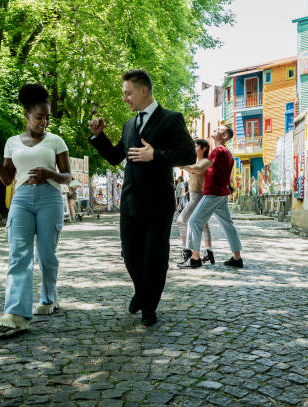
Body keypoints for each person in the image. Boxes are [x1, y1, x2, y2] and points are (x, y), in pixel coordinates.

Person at [87, 69, 195, 326]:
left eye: (128, 93)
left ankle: (149, 308)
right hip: (130, 201)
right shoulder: (129, 125)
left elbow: (188, 155)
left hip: (158, 201)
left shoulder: (171, 119)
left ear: (143, 90)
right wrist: (99, 137)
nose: (125, 98)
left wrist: (155, 155)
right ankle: (141, 292)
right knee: (130, 254)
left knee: (154, 257)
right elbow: (115, 157)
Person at [0, 83, 71, 333]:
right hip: (21, 199)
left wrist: (49, 173)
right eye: (39, 117)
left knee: (46, 254)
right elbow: (7, 179)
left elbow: (67, 176)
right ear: (26, 114)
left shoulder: (56, 141)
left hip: (50, 198)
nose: (44, 122)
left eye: (47, 117)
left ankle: (49, 298)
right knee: (18, 254)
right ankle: (16, 314)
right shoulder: (12, 142)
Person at [181, 125, 243, 268]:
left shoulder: (218, 150)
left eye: (217, 130)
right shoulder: (227, 153)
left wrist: (180, 164)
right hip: (221, 194)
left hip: (213, 193)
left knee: (193, 221)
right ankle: (237, 258)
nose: (214, 130)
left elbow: (200, 168)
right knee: (228, 226)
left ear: (225, 136)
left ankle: (195, 259)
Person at [177, 138, 214, 265]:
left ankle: (188, 251)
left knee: (181, 220)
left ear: (203, 148)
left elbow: (196, 169)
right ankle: (208, 251)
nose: (193, 149)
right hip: (195, 195)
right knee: (203, 224)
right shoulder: (197, 161)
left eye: (195, 146)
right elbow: (193, 168)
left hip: (197, 195)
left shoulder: (205, 161)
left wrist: (181, 165)